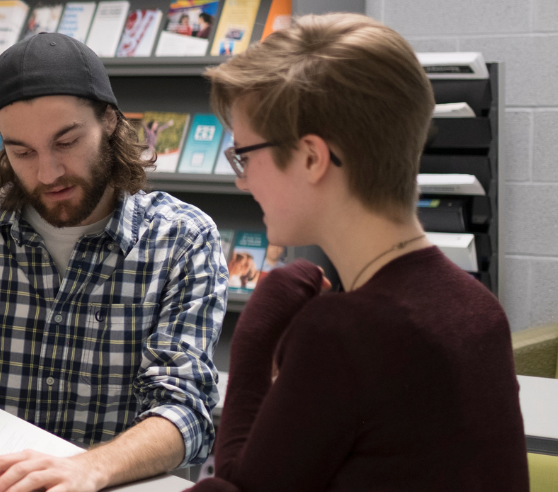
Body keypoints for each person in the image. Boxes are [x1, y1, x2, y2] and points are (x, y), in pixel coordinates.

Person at [0, 32, 226, 492]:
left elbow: (184, 409)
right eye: (22, 151)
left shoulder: (182, 239)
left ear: (111, 122)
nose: (48, 173)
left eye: (67, 142)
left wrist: (88, 468)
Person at [190, 13, 526, 491]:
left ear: (311, 157)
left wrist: (255, 334)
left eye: (244, 156)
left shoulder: (342, 334)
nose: (242, 179)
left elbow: (238, 485)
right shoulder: (478, 309)